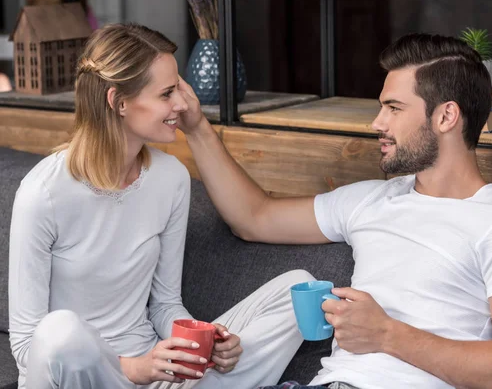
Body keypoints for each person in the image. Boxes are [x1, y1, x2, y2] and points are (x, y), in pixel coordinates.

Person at [177, 33, 492, 389]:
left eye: (394, 108)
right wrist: (195, 127)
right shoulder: (371, 200)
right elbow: (253, 217)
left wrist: (388, 334)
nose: (377, 123)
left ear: (446, 116)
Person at [8, 23, 312, 389]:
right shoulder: (44, 193)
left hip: (155, 376)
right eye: (167, 93)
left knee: (298, 288)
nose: (182, 105)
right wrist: (135, 368)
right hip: (77, 378)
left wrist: (204, 340)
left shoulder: (170, 178)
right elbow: (27, 344)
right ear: (118, 102)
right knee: (61, 331)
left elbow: (164, 304)